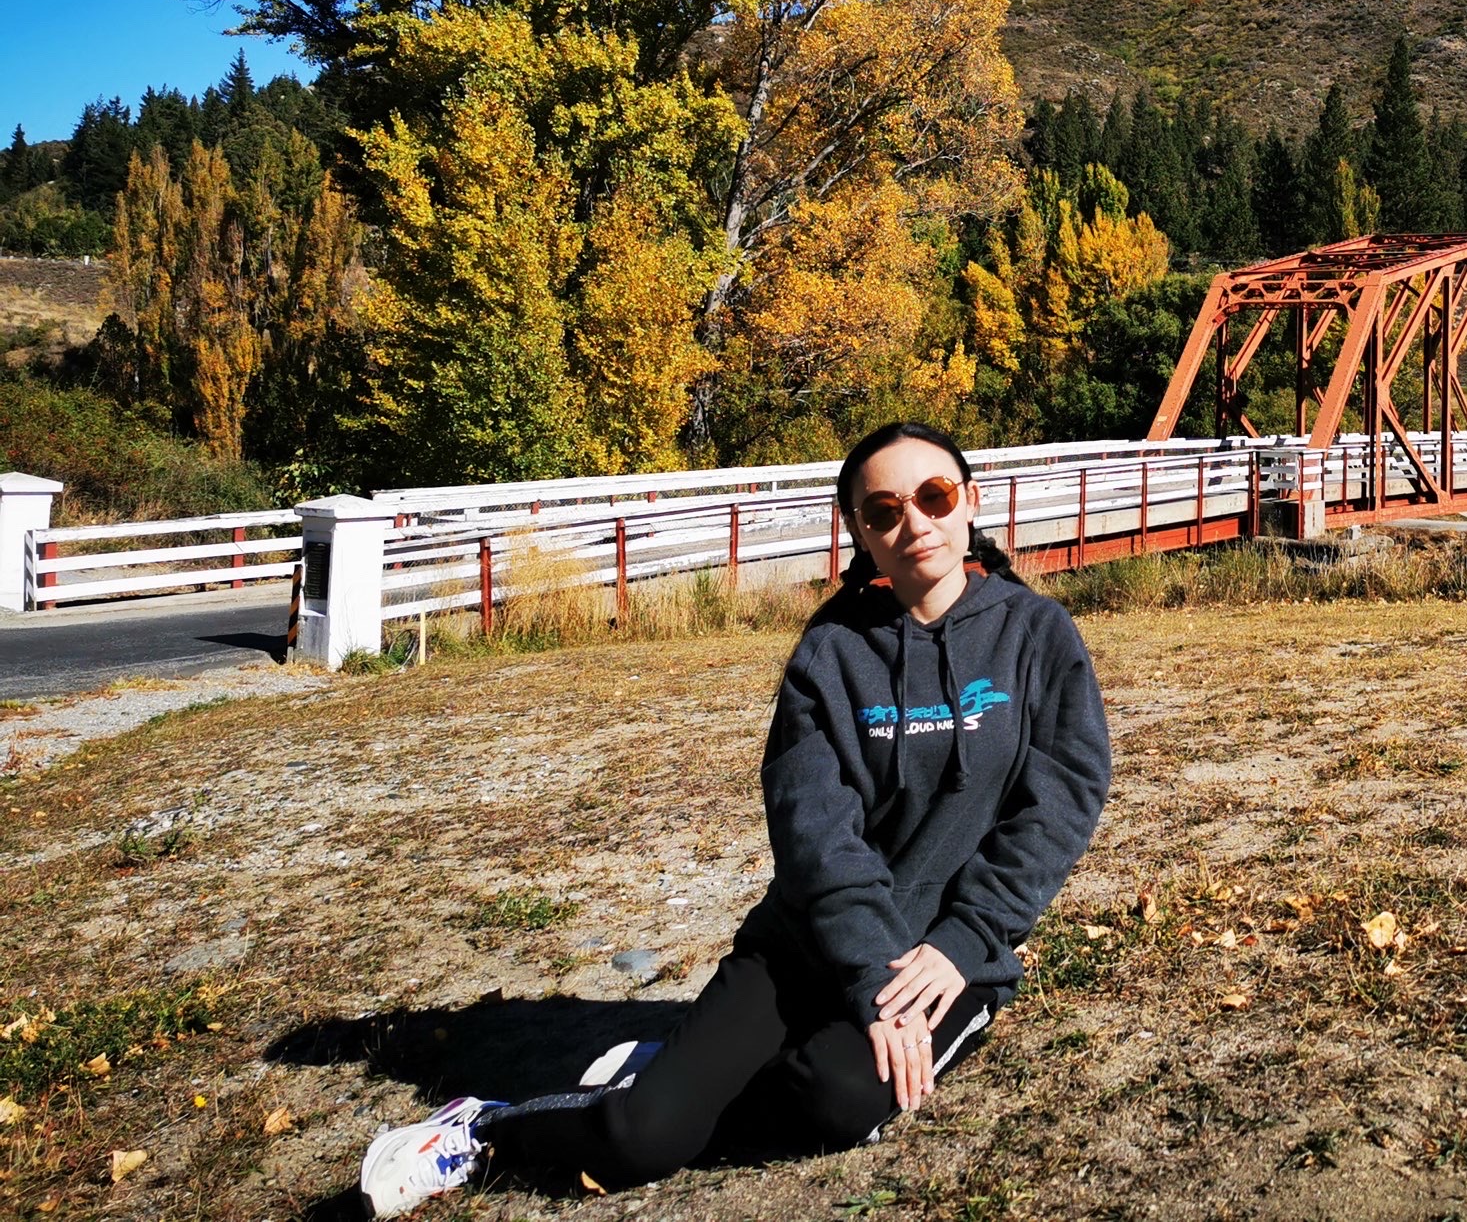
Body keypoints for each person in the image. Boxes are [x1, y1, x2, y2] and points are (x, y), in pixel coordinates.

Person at [360, 422, 1112, 1216]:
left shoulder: (1037, 633)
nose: (913, 523)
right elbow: (813, 829)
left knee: (837, 1098)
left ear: (970, 504)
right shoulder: (830, 652)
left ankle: (688, 1077)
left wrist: (964, 940)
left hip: (948, 957)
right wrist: (865, 969)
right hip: (808, 945)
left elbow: (1061, 795)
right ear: (859, 530)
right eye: (883, 510)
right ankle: (484, 1131)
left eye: (934, 496)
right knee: (640, 1140)